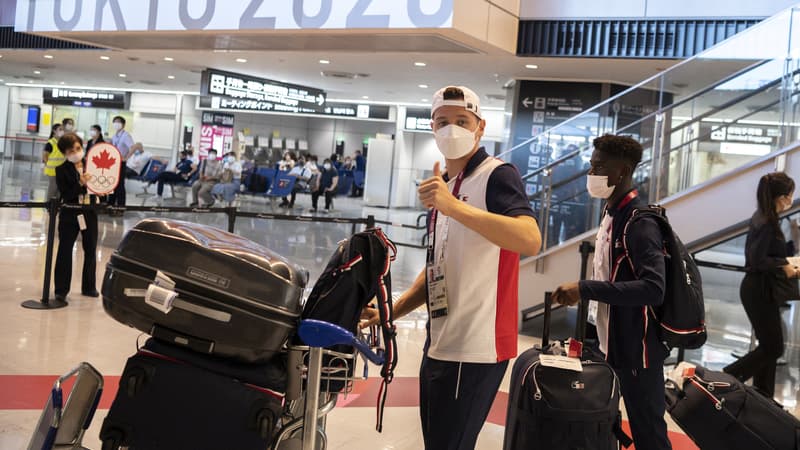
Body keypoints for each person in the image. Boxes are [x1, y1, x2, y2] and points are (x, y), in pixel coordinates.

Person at [361, 86, 541, 450]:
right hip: (440, 341)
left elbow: (529, 238)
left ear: (480, 126)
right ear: (431, 127)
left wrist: (452, 206)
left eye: (462, 121)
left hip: (476, 345)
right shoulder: (444, 186)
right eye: (442, 122)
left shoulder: (497, 175)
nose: (451, 130)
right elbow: (437, 270)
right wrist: (390, 312)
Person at [552, 134, 672, 450]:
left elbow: (653, 288)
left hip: (638, 349)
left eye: (598, 166)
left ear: (620, 172)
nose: (591, 173)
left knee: (649, 431)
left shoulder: (639, 221)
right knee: (612, 420)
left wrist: (584, 289)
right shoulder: (611, 213)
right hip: (612, 341)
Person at [724, 172, 798, 398]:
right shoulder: (766, 221)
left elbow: (770, 253)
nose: (791, 200)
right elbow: (757, 260)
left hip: (763, 289)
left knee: (769, 346)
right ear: (780, 197)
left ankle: (763, 395)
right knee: (773, 347)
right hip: (758, 289)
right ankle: (727, 378)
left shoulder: (768, 218)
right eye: (789, 195)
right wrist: (784, 265)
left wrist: (791, 244)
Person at [53, 133, 98, 303]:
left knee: (91, 249)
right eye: (71, 151)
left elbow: (103, 184)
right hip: (70, 214)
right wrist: (80, 183)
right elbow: (66, 194)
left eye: (78, 148)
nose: (76, 152)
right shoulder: (61, 170)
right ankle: (61, 290)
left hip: (89, 212)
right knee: (65, 251)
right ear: (65, 153)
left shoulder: (94, 165)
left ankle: (89, 287)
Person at [108, 116, 134, 214]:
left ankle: (120, 207)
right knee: (112, 184)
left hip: (121, 163)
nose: (116, 124)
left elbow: (133, 147)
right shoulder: (115, 136)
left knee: (119, 186)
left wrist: (126, 157)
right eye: (114, 122)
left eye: (118, 122)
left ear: (123, 124)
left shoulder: (126, 135)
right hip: (113, 163)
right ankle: (111, 204)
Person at [43, 123, 65, 200]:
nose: (62, 131)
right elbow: (45, 156)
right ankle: (48, 205)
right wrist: (47, 164)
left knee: (59, 189)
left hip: (61, 171)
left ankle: (56, 205)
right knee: (53, 189)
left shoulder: (63, 142)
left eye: (63, 129)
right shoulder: (51, 143)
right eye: (60, 129)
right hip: (52, 171)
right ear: (54, 131)